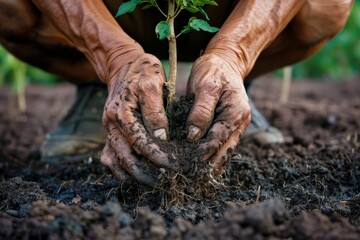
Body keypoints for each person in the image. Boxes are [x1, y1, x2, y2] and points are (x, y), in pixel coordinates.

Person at [0, 0, 352, 186]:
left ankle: (224, 89)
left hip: (225, 12)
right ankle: (105, 89)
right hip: (108, 13)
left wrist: (233, 53)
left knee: (327, 4)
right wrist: (115, 57)